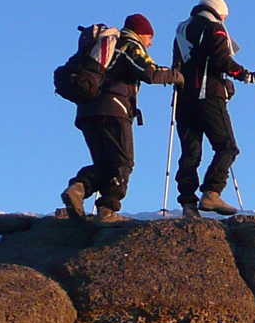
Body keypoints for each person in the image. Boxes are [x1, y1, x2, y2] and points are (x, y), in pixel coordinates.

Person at [60, 15, 180, 225]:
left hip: (86, 111)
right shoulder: (129, 44)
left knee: (105, 163)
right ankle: (107, 210)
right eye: (150, 38)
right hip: (113, 110)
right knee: (123, 162)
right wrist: (177, 76)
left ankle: (78, 188)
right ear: (142, 33)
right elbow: (149, 72)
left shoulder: (101, 47)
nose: (150, 43)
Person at [172, 0, 255, 217]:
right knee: (227, 147)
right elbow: (222, 60)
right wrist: (248, 76)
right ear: (219, 12)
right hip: (209, 97)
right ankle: (211, 193)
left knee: (190, 152)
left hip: (184, 99)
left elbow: (180, 63)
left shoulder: (181, 30)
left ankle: (188, 203)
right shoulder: (215, 29)